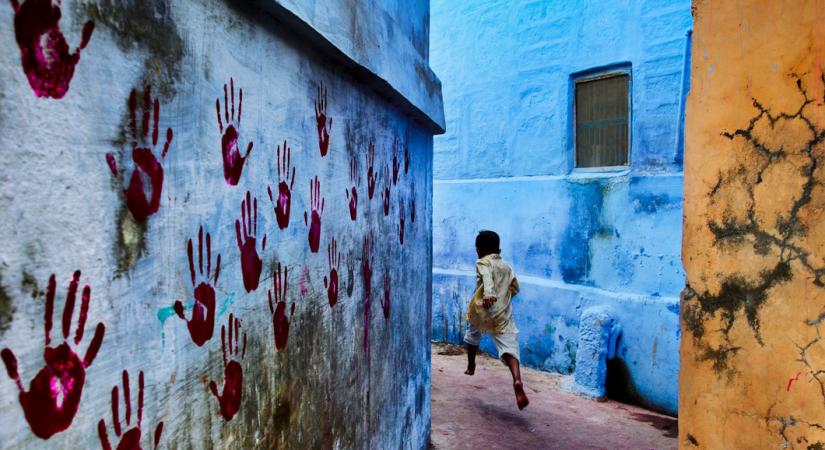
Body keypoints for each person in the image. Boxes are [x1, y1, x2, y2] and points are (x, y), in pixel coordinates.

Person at [463, 230, 529, 410]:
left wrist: (490, 293)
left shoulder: (482, 261)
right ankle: (517, 379)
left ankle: (471, 365)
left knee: (473, 334)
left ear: (479, 250)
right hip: (502, 312)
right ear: (498, 249)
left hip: (482, 309)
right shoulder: (507, 266)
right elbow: (515, 287)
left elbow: (486, 277)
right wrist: (504, 298)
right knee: (509, 347)